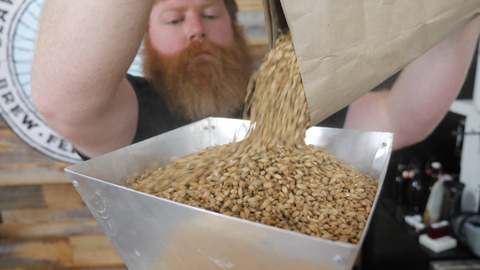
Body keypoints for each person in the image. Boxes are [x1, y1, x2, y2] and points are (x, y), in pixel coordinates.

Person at [31, 0, 480, 160]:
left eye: (209, 14)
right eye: (172, 20)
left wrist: (463, 14)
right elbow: (63, 100)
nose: (195, 29)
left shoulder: (286, 96)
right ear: (142, 40)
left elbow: (402, 118)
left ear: (234, 27)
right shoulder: (129, 114)